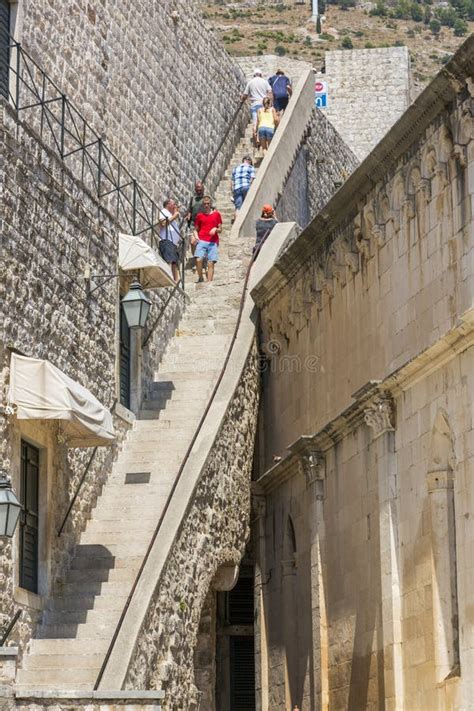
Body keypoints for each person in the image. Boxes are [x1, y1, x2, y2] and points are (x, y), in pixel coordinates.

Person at [193, 195, 222, 283]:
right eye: (205, 204)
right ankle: (200, 277)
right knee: (198, 259)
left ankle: (209, 283)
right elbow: (195, 229)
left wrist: (215, 229)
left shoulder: (216, 215)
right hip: (202, 240)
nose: (206, 205)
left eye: (208, 204)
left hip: (213, 242)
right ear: (202, 205)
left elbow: (220, 229)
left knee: (210, 263)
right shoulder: (199, 216)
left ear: (210, 204)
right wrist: (196, 236)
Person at [241, 68, 272, 136]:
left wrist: (242, 100)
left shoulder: (250, 82)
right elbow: (270, 92)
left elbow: (245, 95)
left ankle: (256, 136)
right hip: (264, 103)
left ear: (254, 75)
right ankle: (263, 137)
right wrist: (270, 103)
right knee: (264, 120)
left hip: (254, 104)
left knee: (255, 121)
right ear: (261, 74)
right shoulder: (265, 82)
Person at [158, 198, 181, 282]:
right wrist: (175, 216)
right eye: (174, 204)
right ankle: (170, 279)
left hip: (172, 243)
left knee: (174, 261)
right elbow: (163, 223)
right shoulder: (163, 211)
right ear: (168, 205)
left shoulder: (170, 214)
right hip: (166, 240)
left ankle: (176, 281)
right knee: (170, 260)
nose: (175, 206)